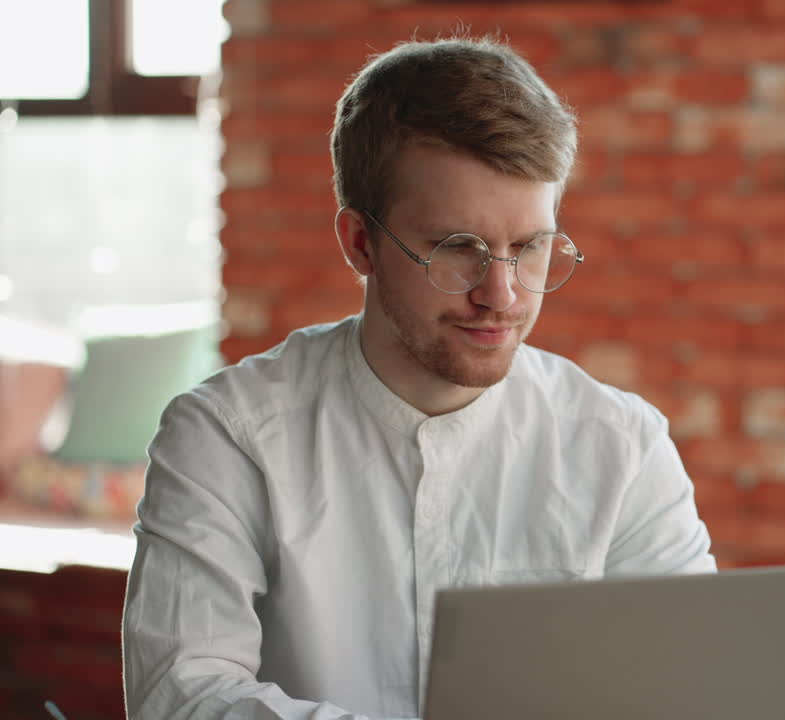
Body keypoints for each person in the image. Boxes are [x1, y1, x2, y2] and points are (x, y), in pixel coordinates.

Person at [122, 35, 716, 720]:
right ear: (360, 242)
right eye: (457, 248)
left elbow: (691, 692)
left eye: (530, 248)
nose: (501, 295)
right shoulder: (227, 436)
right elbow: (182, 699)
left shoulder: (623, 447)